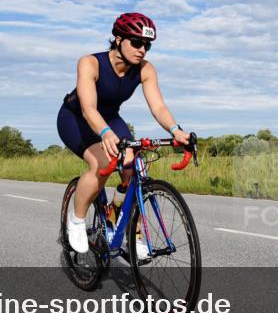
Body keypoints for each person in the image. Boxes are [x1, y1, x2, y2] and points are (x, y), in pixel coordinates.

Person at [57, 13, 190, 255]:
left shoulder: (145, 69)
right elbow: (88, 109)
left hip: (110, 118)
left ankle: (123, 218)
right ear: (118, 39)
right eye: (136, 43)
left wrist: (175, 130)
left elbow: (158, 107)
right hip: (76, 118)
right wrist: (106, 133)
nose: (142, 50)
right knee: (104, 162)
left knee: (133, 165)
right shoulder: (90, 63)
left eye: (147, 45)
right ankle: (76, 221)